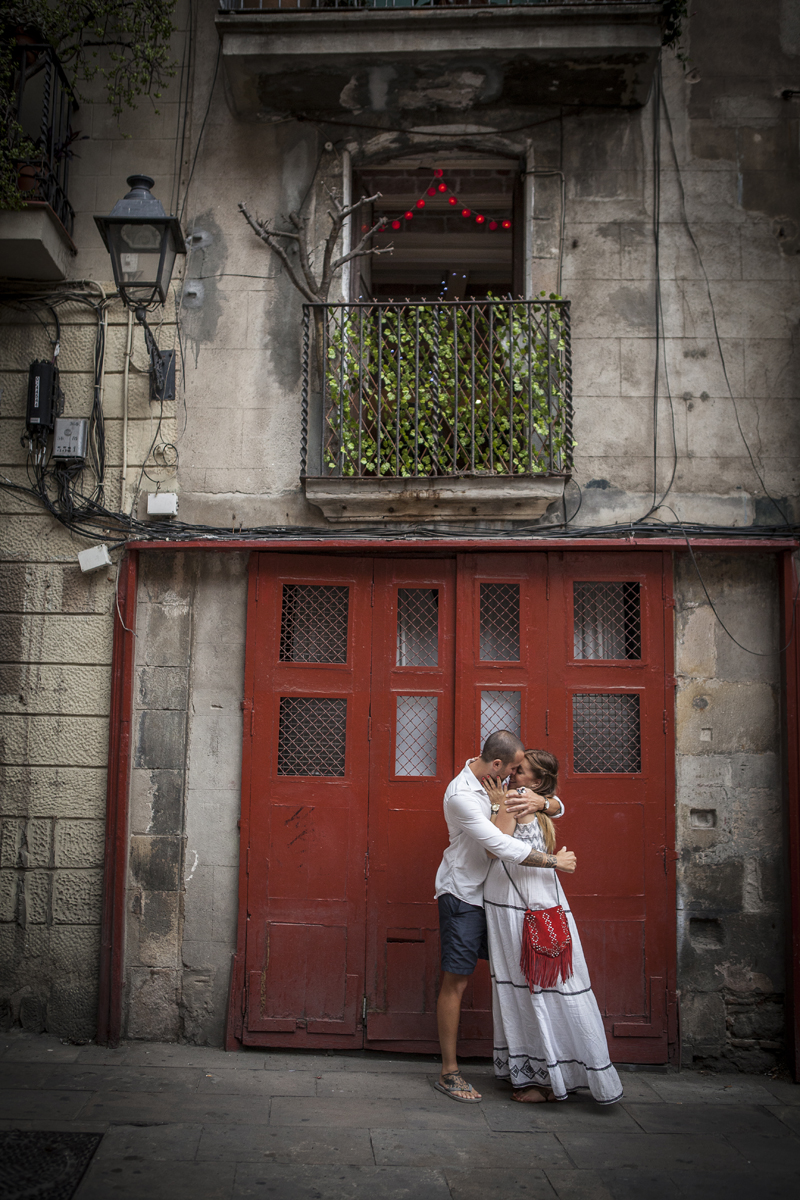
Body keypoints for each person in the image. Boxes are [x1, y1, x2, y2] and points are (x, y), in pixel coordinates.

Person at [484, 749, 623, 1105]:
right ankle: (560, 1072)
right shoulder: (538, 802)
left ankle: (543, 1079)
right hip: (542, 900)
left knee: (531, 987)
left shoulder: (518, 799)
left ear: (537, 781)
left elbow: (495, 850)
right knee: (552, 986)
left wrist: (500, 805)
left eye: (521, 771)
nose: (513, 774)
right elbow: (556, 806)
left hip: (521, 904)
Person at [433, 730, 565, 1103]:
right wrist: (555, 862)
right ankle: (449, 1073)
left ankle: (529, 1069)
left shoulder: (500, 786)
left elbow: (557, 804)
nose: (515, 776)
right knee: (456, 981)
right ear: (496, 765)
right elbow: (499, 846)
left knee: (519, 978)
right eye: (513, 769)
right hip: (464, 896)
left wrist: (544, 803)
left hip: (500, 899)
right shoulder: (461, 795)